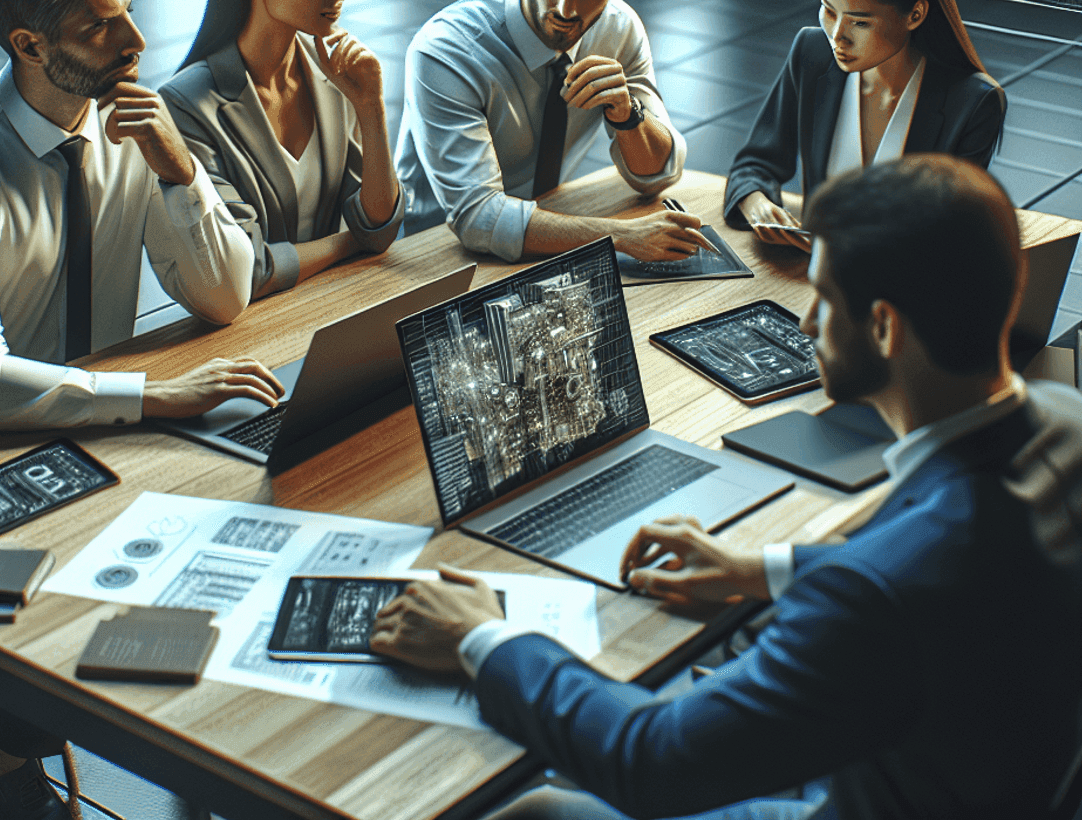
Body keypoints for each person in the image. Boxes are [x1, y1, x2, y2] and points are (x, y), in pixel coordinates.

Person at [371, 154, 1082, 820]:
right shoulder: (1066, 424)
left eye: (823, 298)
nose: (806, 320)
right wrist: (756, 569)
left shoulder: (878, 592)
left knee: (536, 811)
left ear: (885, 328)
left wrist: (482, 640)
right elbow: (946, 579)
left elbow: (648, 760)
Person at [0, 0, 284, 819]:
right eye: (102, 29)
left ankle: (10, 751)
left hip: (76, 398)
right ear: (29, 45)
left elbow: (222, 300)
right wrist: (152, 395)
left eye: (129, 15)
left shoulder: (134, 125)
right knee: (50, 604)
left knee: (197, 538)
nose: (136, 44)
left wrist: (181, 173)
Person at [396, 0, 713, 264]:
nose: (566, 7)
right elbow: (478, 218)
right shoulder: (448, 50)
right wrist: (621, 236)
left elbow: (657, 176)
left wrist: (628, 116)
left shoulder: (619, 28)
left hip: (545, 233)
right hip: (431, 253)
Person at [160, 0, 403, 298]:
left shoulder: (338, 72)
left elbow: (378, 225)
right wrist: (349, 243)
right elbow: (250, 269)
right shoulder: (187, 106)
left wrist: (370, 106)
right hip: (248, 335)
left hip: (336, 307)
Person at [724, 0, 1005, 250]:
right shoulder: (811, 54)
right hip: (809, 273)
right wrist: (759, 207)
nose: (837, 37)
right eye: (829, 11)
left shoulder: (973, 104)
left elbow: (950, 233)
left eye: (859, 23)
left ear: (915, 15)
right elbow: (754, 163)